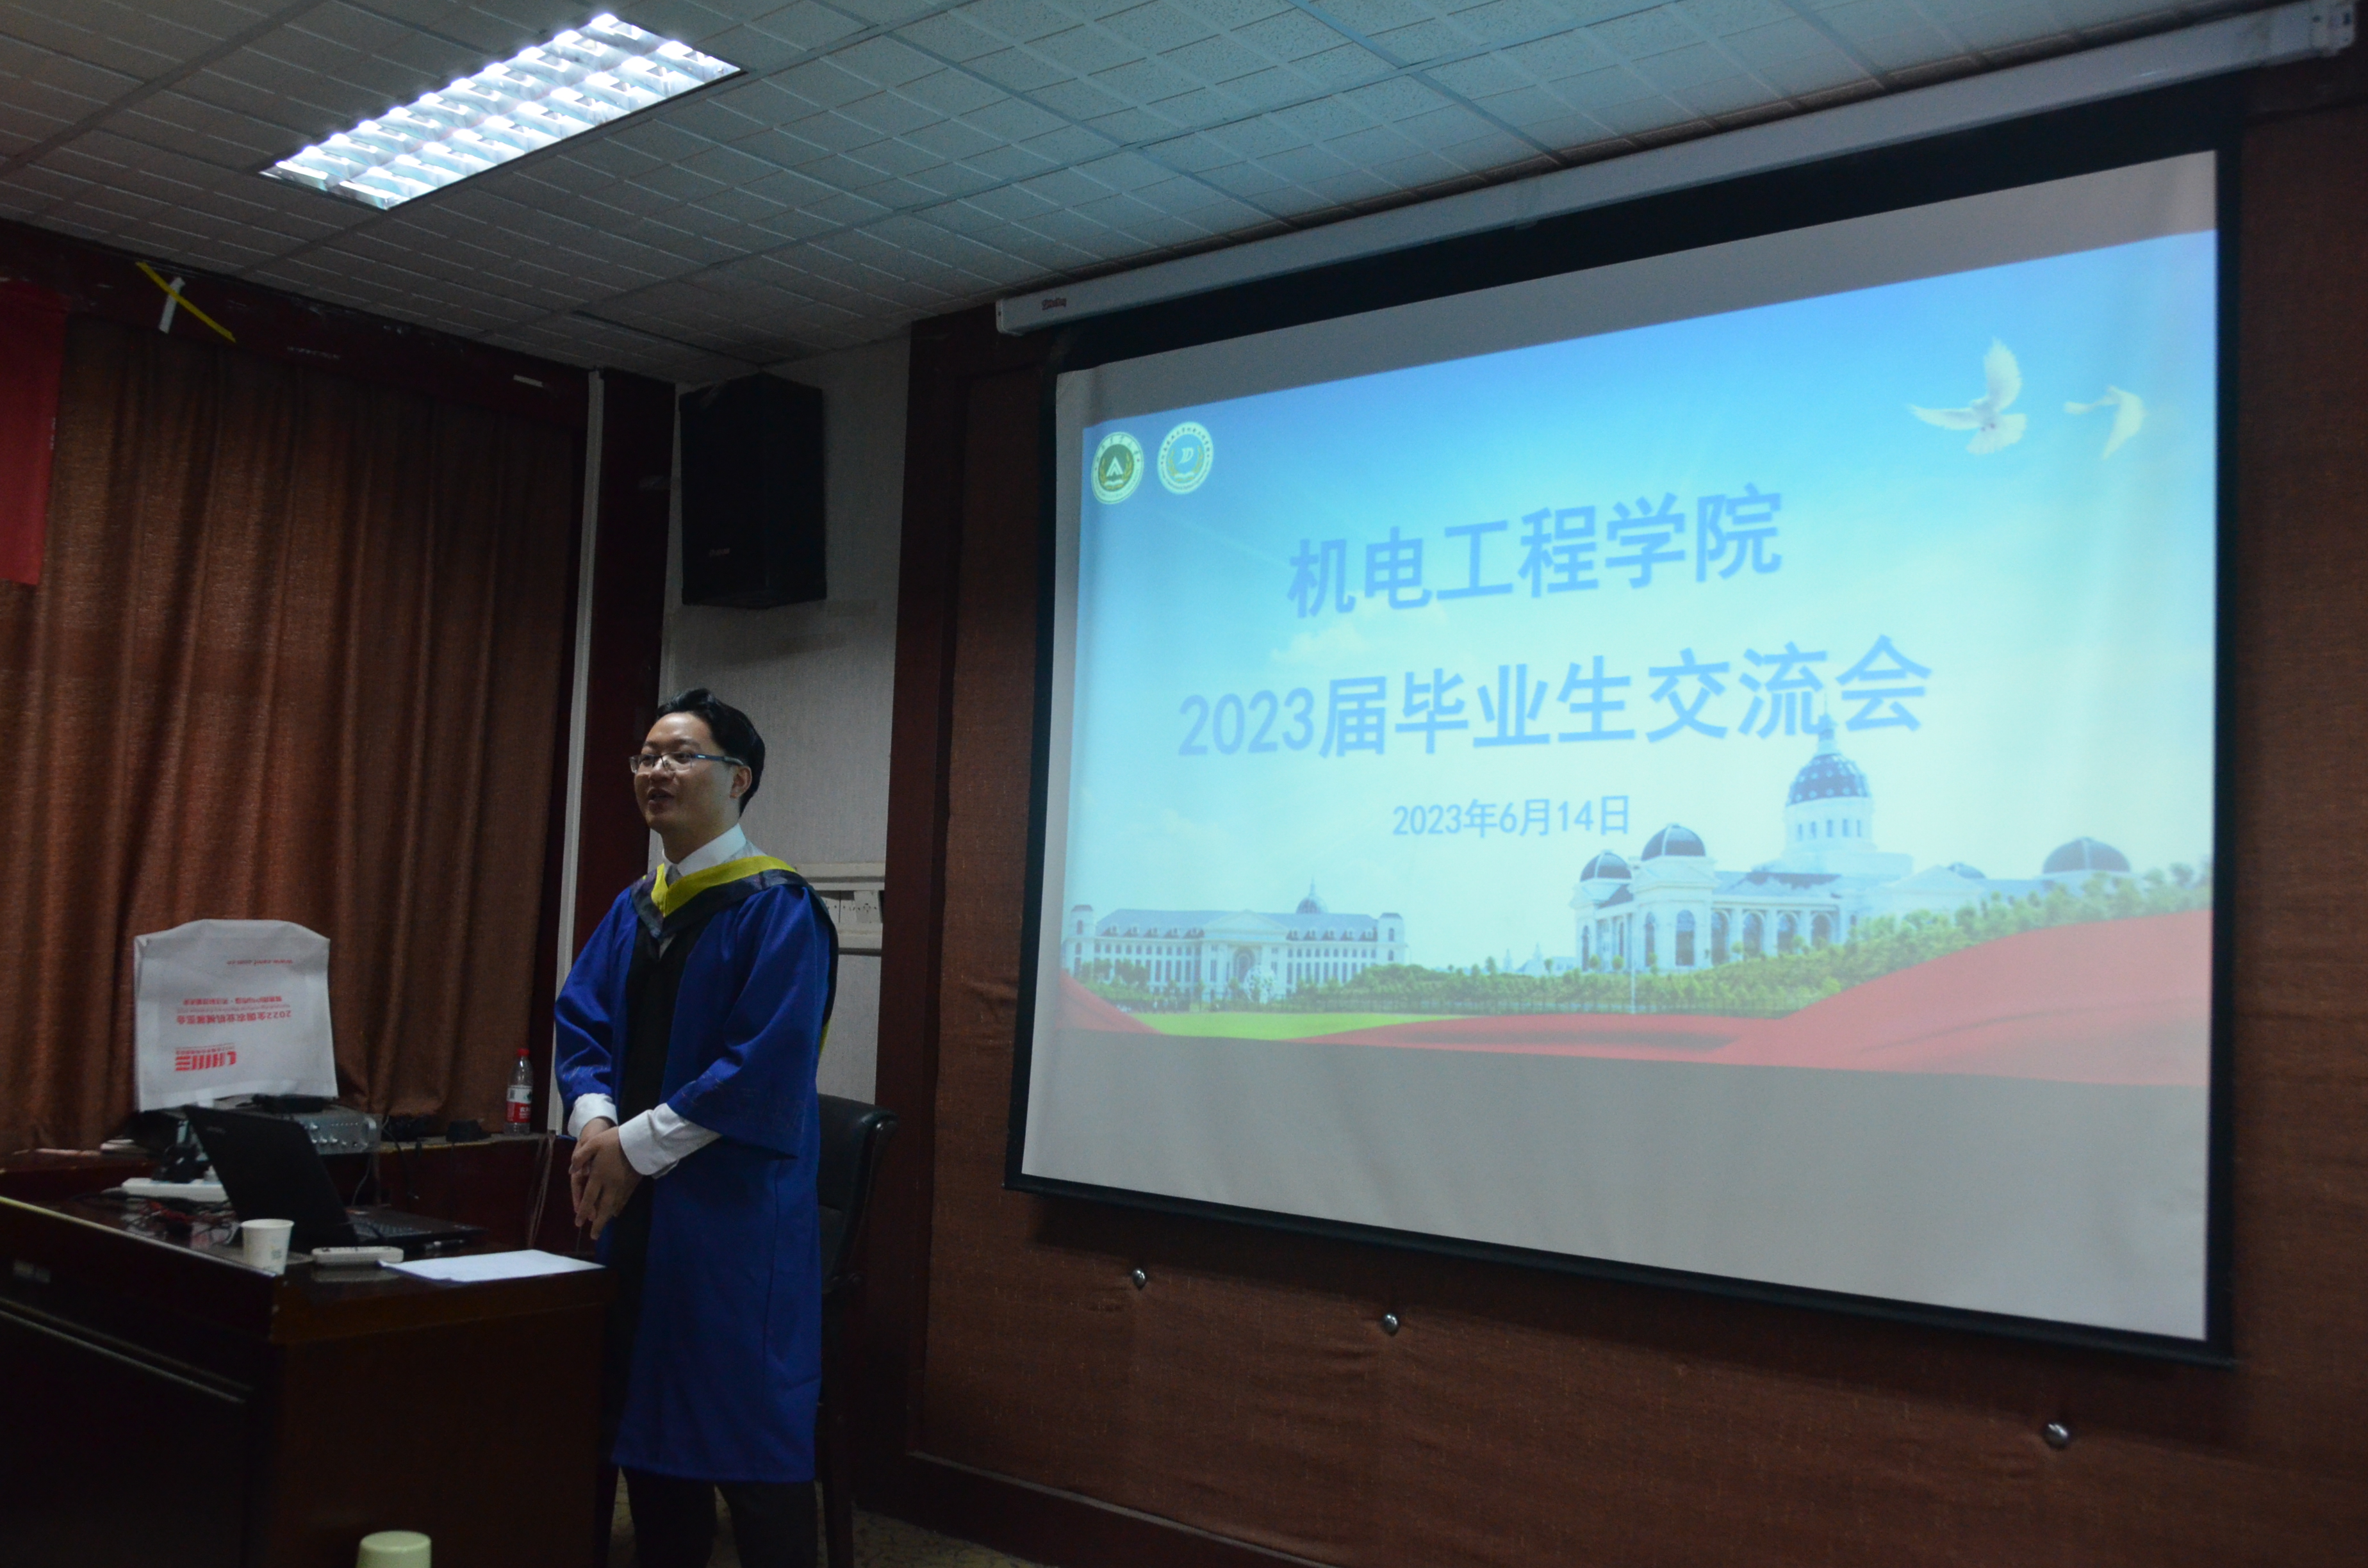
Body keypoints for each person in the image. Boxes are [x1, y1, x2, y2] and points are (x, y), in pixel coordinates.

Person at [556, 689, 837, 1568]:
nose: (657, 771)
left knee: (748, 1437)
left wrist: (631, 1151)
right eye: (646, 757)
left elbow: (764, 1067)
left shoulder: (779, 908)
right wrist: (597, 1124)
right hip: (639, 1211)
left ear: (739, 779)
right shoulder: (635, 905)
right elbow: (582, 1023)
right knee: (649, 1420)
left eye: (682, 756)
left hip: (733, 1221)